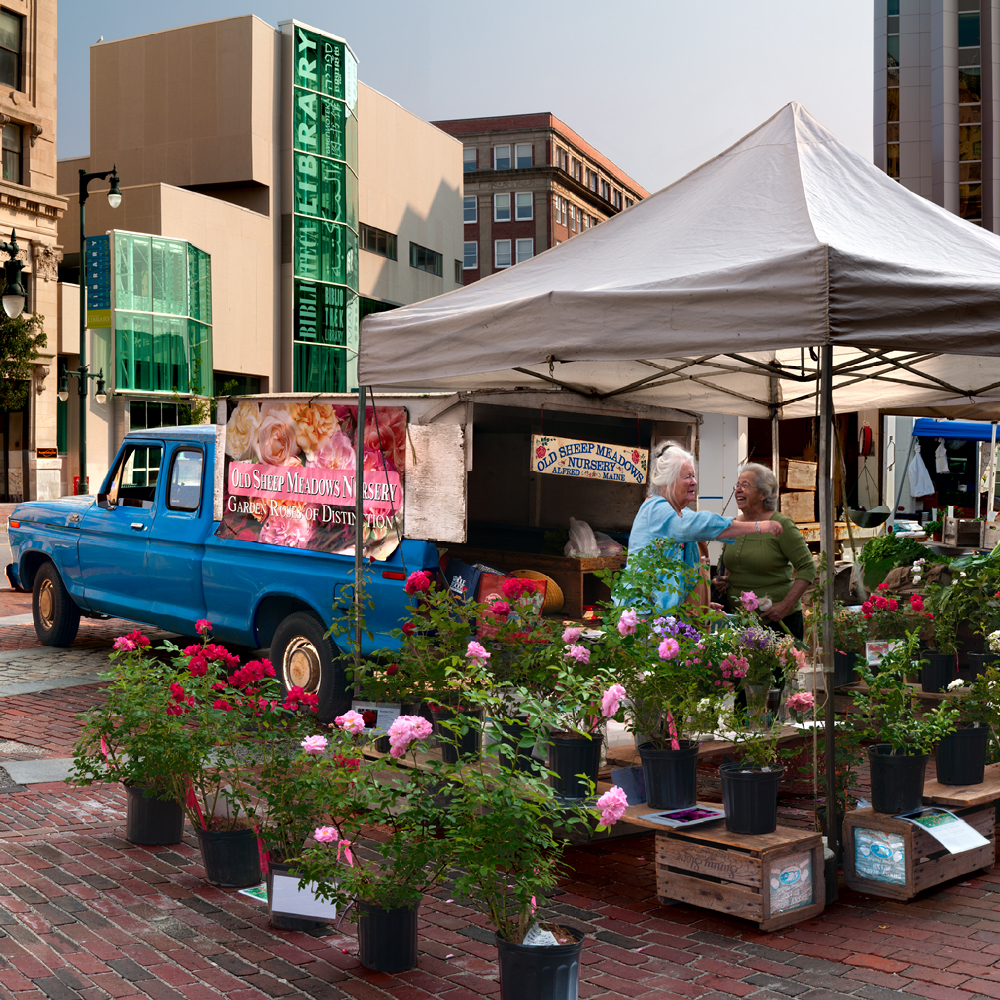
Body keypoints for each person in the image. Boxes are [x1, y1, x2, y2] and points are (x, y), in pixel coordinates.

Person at [626, 445, 784, 611]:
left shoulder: (679, 513)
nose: (694, 482)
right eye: (687, 477)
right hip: (644, 616)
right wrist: (758, 526)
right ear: (668, 483)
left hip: (665, 616)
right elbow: (701, 524)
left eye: (694, 476)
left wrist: (701, 605)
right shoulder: (656, 509)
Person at [714, 462, 816, 640]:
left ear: (763, 494)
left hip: (777, 621)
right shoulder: (733, 525)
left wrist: (785, 605)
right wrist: (723, 580)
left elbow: (808, 567)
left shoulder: (781, 525)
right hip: (737, 621)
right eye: (737, 485)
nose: (738, 490)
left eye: (745, 485)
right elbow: (727, 564)